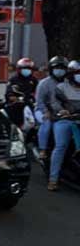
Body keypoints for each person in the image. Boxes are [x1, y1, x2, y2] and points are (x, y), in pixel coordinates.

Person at [47, 60, 80, 191]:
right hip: (65, 120)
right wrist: (62, 111)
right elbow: (55, 104)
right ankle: (53, 179)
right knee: (61, 146)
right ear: (71, 74)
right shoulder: (61, 88)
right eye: (77, 73)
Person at [35, 56, 68, 160]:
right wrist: (46, 111)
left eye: (62, 68)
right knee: (47, 124)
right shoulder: (44, 83)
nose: (60, 71)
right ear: (51, 69)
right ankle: (43, 150)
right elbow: (39, 102)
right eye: (57, 68)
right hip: (43, 110)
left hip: (63, 111)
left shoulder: (68, 83)